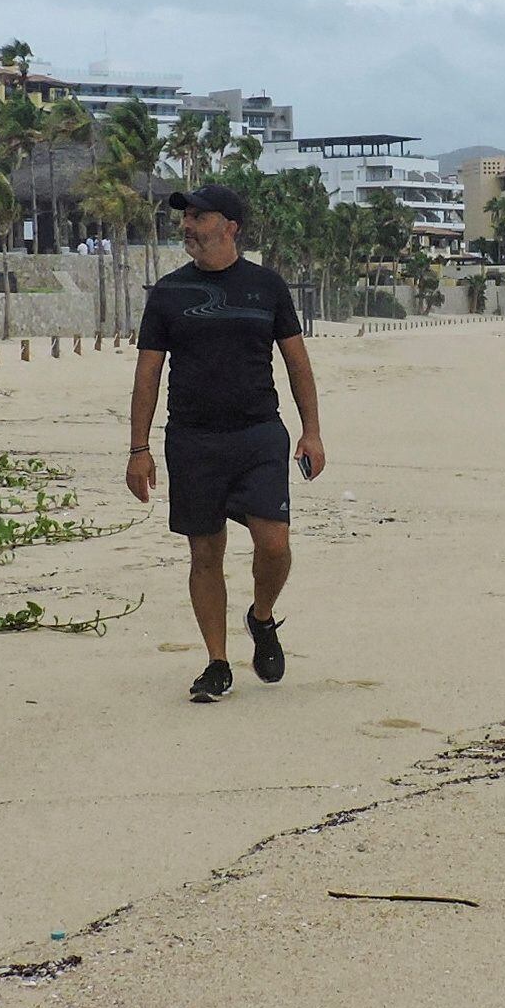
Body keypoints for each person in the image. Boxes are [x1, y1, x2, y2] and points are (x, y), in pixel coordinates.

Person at [125, 182, 325, 702]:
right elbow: (148, 374)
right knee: (205, 552)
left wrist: (313, 431)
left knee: (274, 544)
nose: (188, 225)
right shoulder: (168, 293)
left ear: (230, 226)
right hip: (192, 439)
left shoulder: (267, 287)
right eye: (186, 217)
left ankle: (261, 618)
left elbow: (297, 363)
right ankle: (217, 662)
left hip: (259, 433)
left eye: (199, 216)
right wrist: (138, 448)